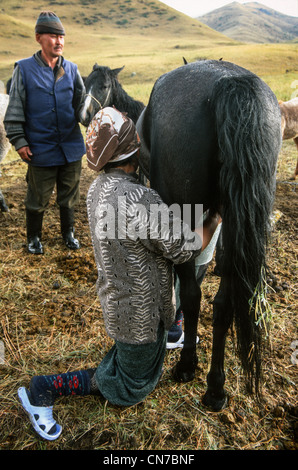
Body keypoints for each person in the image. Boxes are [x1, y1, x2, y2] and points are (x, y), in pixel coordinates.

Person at [17, 107, 221, 441]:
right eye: (136, 139)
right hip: (141, 315)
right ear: (131, 150)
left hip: (119, 302)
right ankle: (43, 389)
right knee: (129, 387)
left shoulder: (99, 188)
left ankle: (152, 346)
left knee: (133, 357)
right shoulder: (138, 199)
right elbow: (186, 247)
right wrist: (216, 216)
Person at [4, 11, 86, 254]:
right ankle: (34, 238)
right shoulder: (24, 69)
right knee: (37, 198)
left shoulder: (71, 69)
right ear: (39, 38)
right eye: (53, 36)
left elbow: (82, 105)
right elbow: (15, 108)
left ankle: (68, 234)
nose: (59, 41)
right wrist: (19, 141)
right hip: (39, 148)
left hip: (70, 146)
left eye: (62, 36)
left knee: (69, 195)